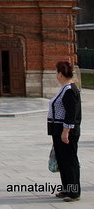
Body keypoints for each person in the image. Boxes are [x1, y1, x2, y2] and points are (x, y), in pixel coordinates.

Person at [47, 61, 81, 202]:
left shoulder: (69, 90)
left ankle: (74, 192)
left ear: (61, 74)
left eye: (56, 72)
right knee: (62, 161)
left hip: (65, 131)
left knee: (69, 161)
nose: (56, 75)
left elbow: (71, 113)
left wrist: (66, 131)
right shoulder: (64, 88)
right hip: (58, 129)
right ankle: (67, 188)